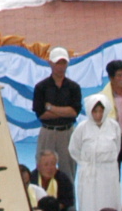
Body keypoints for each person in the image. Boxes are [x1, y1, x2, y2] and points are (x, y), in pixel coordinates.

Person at [69, 96, 122, 211]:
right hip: (89, 174)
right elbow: (74, 149)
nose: (98, 115)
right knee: (89, 205)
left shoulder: (114, 126)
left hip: (109, 173)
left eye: (101, 111)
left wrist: (105, 161)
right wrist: (87, 163)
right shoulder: (82, 128)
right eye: (95, 111)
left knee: (109, 200)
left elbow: (117, 147)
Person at [32, 49, 85, 179]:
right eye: (58, 63)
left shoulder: (74, 87)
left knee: (68, 172)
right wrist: (64, 111)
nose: (61, 67)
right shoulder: (41, 87)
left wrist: (51, 107)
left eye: (63, 63)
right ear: (50, 63)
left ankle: (68, 199)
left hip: (67, 133)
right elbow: (41, 114)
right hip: (48, 133)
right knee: (44, 171)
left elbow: (73, 112)